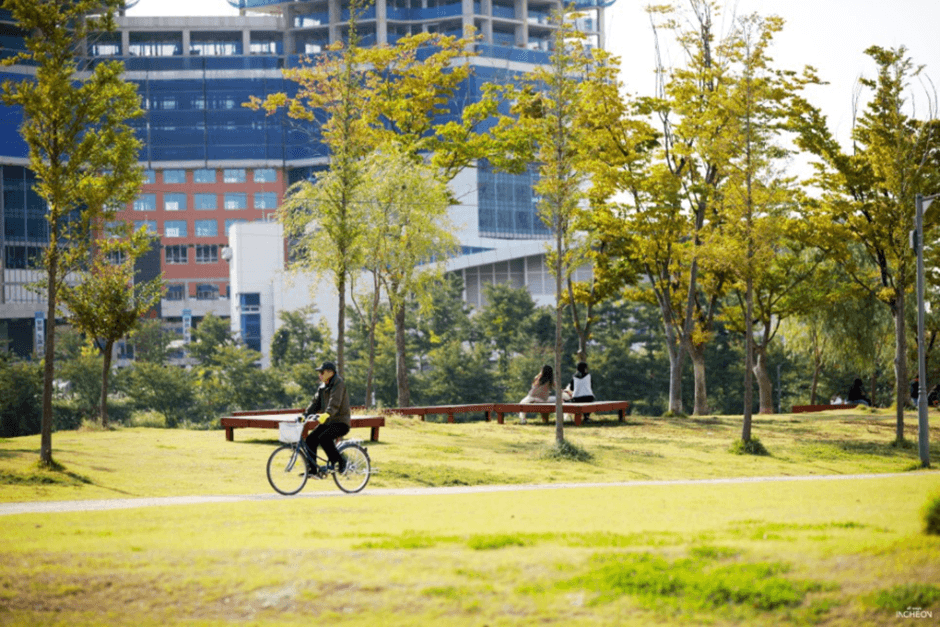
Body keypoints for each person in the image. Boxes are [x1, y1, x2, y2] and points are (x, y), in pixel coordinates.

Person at [304, 361, 351, 474]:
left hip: (341, 423)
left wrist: (327, 413)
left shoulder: (338, 384)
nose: (319, 374)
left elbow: (334, 402)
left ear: (330, 372)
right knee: (310, 440)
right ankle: (313, 470)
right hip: (328, 422)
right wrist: (305, 415)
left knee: (324, 438)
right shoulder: (322, 387)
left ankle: (341, 462)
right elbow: (315, 403)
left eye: (321, 372)